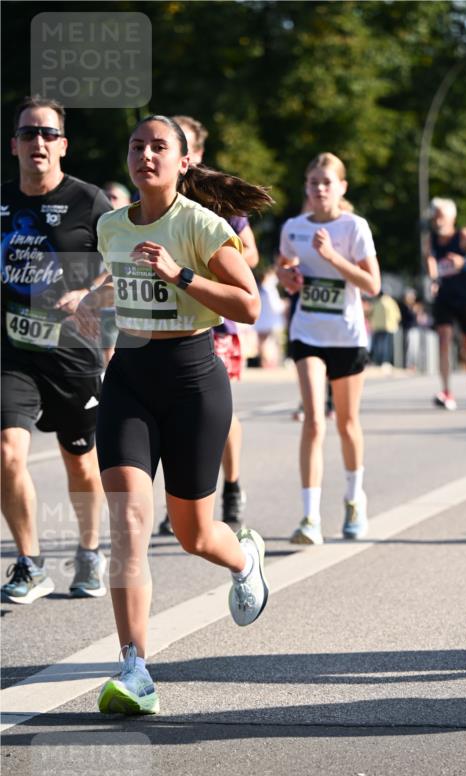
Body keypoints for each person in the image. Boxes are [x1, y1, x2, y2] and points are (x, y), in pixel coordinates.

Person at [78, 114, 271, 715]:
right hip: (129, 381)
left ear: (184, 161)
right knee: (129, 521)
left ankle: (244, 559)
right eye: (137, 146)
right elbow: (117, 285)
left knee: (193, 535)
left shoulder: (202, 224)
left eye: (159, 147)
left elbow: (249, 304)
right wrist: (93, 302)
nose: (145, 156)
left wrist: (180, 274)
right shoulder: (111, 224)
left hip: (193, 382)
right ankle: (135, 670)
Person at [1, 96, 110, 604]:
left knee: (80, 461)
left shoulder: (88, 201)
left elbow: (123, 258)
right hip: (13, 350)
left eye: (47, 134)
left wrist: (88, 293)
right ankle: (30, 562)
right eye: (28, 134)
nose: (37, 142)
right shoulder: (2, 201)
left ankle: (89, 549)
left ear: (63, 145)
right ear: (14, 145)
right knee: (7, 452)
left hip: (72, 351)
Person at [157, 115, 260, 536]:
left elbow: (249, 256)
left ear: (193, 155)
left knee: (214, 409)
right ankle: (181, 502)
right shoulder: (155, 199)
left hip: (216, 320)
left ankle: (231, 487)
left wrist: (212, 265)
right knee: (170, 413)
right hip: (168, 317)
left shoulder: (216, 207)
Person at [277, 152, 380, 544]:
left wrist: (332, 257)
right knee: (314, 421)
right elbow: (285, 268)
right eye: (313, 183)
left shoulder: (355, 228)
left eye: (327, 182)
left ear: (341, 188)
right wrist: (289, 277)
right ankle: (310, 518)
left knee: (346, 424)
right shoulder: (294, 227)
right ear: (306, 188)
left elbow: (372, 285)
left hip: (347, 337)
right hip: (308, 333)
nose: (320, 189)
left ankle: (354, 498)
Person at [425, 197, 466, 411]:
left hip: (465, 297)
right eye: (435, 216)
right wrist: (434, 279)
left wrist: (464, 262)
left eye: (441, 216)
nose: (437, 220)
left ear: (452, 217)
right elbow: (430, 260)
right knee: (443, 339)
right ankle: (446, 390)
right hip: (444, 296)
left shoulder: (464, 235)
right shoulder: (432, 239)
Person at [369, 288, 401, 366]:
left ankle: (380, 361)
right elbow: (397, 315)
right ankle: (382, 361)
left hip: (381, 327)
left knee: (381, 346)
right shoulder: (389, 302)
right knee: (384, 346)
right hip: (385, 327)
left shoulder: (378, 302)